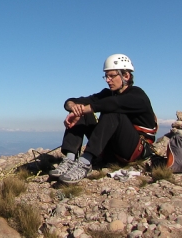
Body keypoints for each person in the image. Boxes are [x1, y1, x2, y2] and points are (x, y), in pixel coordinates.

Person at [49, 54, 157, 184]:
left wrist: (84, 109)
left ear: (126, 76)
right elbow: (73, 101)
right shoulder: (107, 94)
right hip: (111, 150)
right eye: (106, 76)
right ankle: (70, 159)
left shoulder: (138, 95)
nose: (107, 80)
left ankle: (85, 164)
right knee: (83, 111)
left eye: (112, 76)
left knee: (112, 111)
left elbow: (113, 104)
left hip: (133, 151)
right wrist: (74, 108)